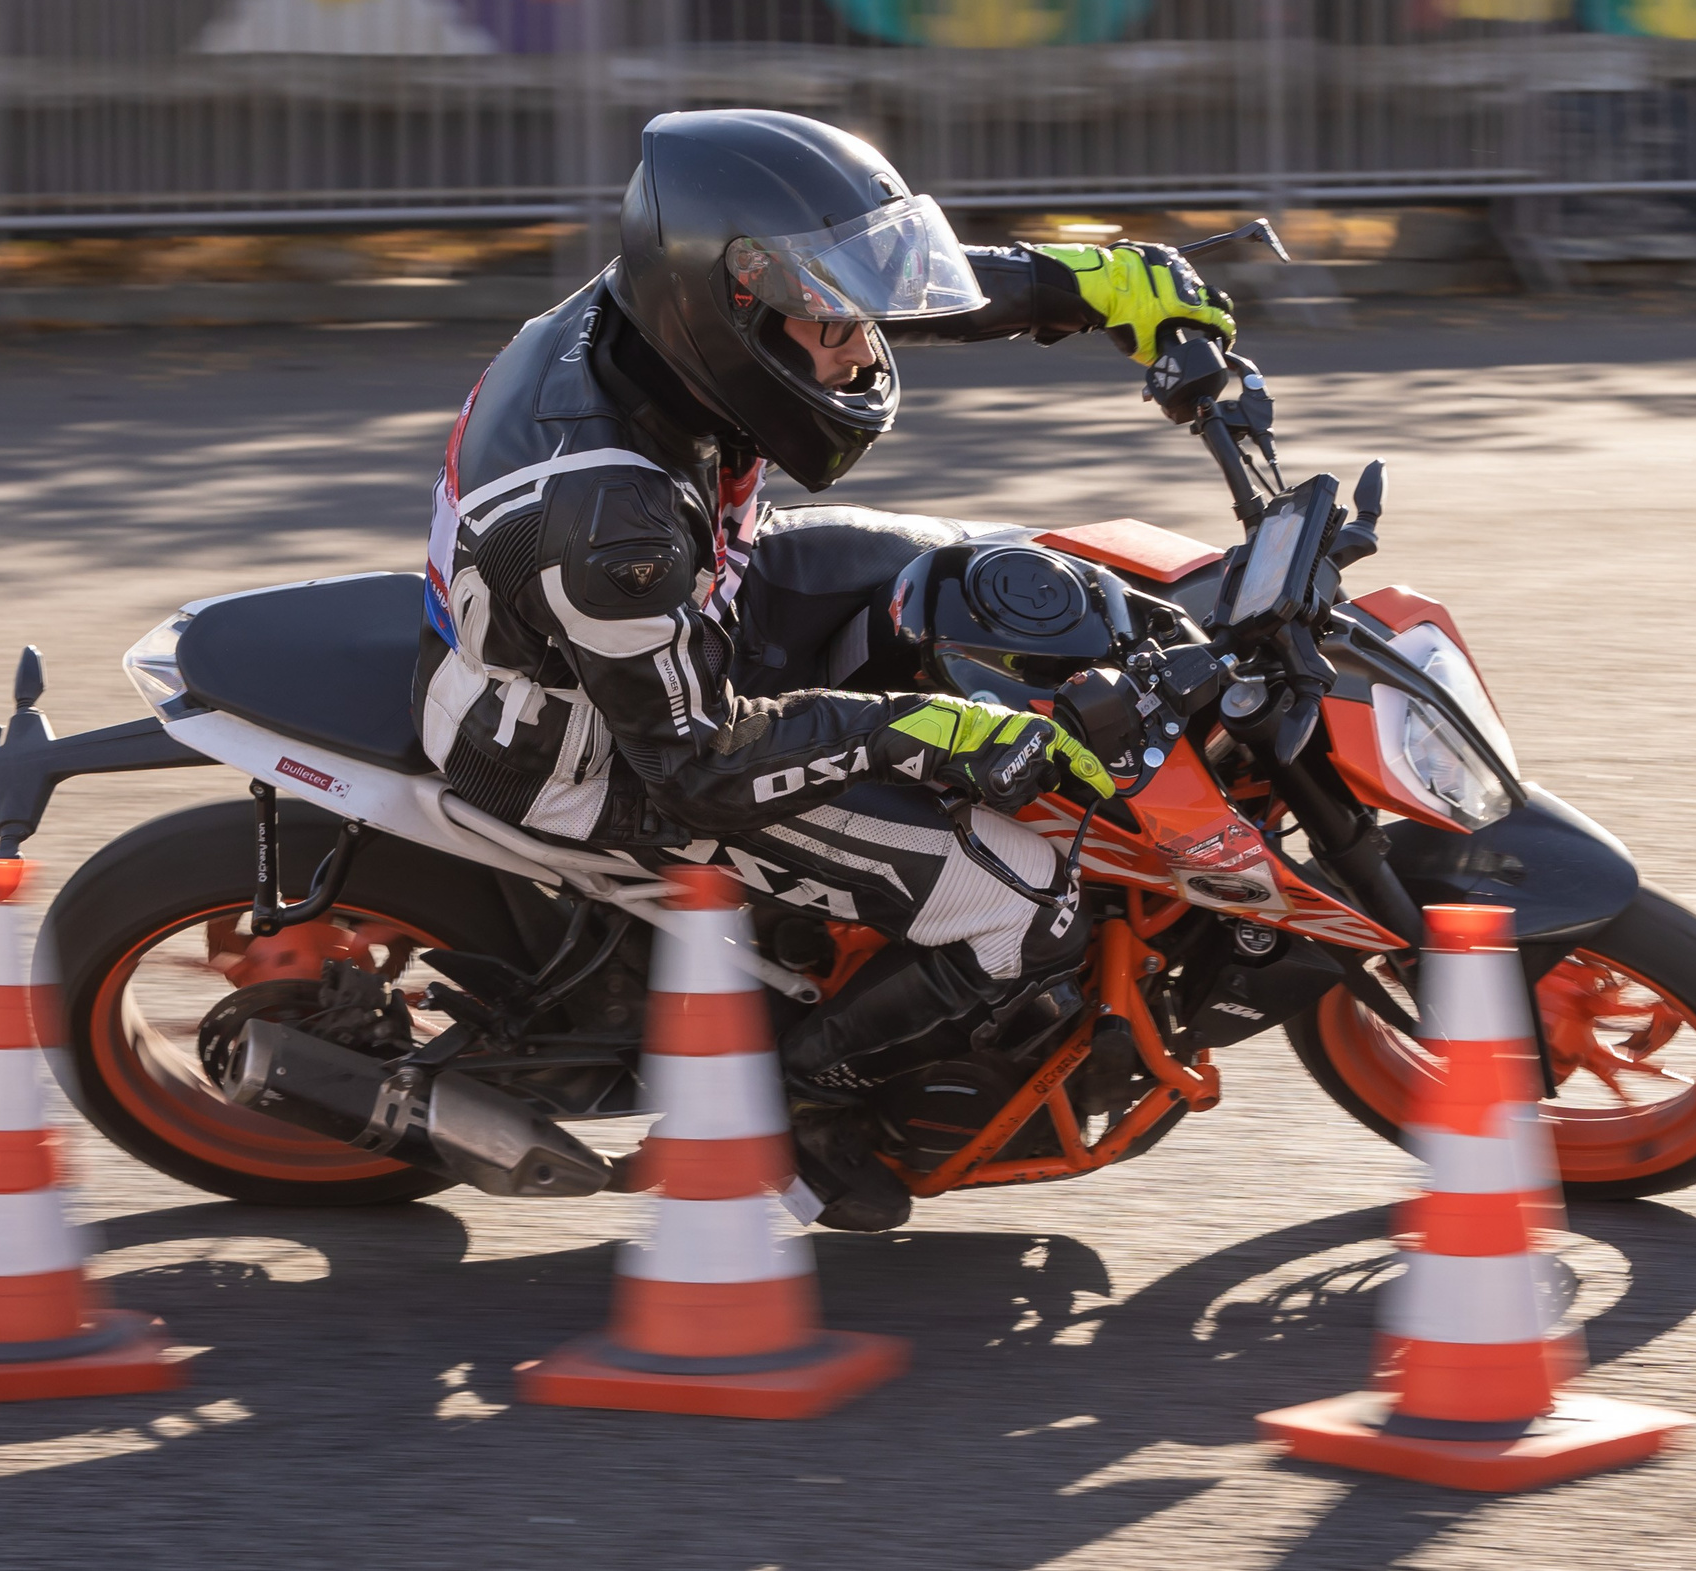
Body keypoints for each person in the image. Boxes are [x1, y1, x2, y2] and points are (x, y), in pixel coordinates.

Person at [413, 108, 1235, 1230]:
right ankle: (796, 1106)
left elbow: (864, 281)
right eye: (835, 326)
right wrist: (917, 729)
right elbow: (692, 763)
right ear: (733, 310)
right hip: (593, 752)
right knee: (1022, 898)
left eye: (852, 316)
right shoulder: (612, 516)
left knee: (979, 573)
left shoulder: (662, 298)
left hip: (682, 611)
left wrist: (1072, 285)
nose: (864, 346)